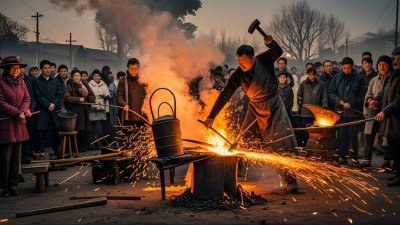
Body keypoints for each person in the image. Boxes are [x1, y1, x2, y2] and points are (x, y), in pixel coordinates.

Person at [203, 35, 298, 193]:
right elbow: (224, 95)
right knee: (243, 140)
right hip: (254, 109)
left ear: (253, 58)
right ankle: (231, 174)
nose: (241, 65)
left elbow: (278, 51)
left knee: (282, 143)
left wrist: (271, 43)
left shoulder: (264, 59)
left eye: (244, 62)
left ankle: (290, 180)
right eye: (239, 62)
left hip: (274, 106)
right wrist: (211, 116)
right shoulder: (238, 74)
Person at [0, 56, 31, 197]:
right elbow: (1, 103)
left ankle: (13, 185)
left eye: (18, 68)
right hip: (6, 125)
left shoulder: (22, 83)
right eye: (13, 67)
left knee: (16, 158)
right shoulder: (1, 83)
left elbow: (27, 98)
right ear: (6, 69)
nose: (16, 70)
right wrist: (17, 112)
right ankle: (5, 187)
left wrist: (24, 110)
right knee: (5, 157)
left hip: (19, 124)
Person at [329, 57, 367, 165]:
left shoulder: (359, 78)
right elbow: (331, 93)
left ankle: (353, 157)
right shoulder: (337, 77)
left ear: (353, 66)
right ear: (341, 67)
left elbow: (362, 96)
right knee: (341, 136)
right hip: (340, 113)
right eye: (344, 68)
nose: (347, 70)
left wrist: (352, 103)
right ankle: (342, 156)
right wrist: (340, 101)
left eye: (349, 68)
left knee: (353, 137)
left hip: (353, 113)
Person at [362, 55, 393, 167]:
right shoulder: (374, 80)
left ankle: (387, 161)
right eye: (380, 65)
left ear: (389, 66)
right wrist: (368, 104)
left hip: (387, 112)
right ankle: (366, 161)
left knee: (386, 137)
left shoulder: (392, 79)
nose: (382, 67)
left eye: (384, 65)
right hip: (373, 112)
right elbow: (368, 95)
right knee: (369, 135)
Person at [375, 52, 400, 186]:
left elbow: (398, 100)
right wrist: (375, 100)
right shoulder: (393, 76)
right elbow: (383, 92)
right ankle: (397, 173)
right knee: (393, 147)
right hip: (390, 118)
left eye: (398, 60)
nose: (395, 62)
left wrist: (385, 111)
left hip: (397, 119)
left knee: (397, 148)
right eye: (395, 59)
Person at [33, 60, 62, 156]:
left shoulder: (55, 81)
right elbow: (38, 95)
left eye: (49, 68)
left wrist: (53, 104)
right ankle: (40, 152)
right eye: (45, 68)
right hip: (42, 110)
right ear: (41, 69)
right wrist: (48, 105)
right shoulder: (36, 81)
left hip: (53, 109)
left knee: (55, 130)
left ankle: (57, 151)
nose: (47, 70)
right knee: (41, 131)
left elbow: (59, 94)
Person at [64, 70, 95, 152]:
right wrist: (78, 99)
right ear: (72, 77)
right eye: (75, 76)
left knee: (85, 129)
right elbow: (66, 98)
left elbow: (92, 95)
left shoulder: (84, 84)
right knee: (77, 129)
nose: (77, 77)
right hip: (75, 111)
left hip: (84, 110)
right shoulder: (69, 85)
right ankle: (75, 148)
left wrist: (87, 99)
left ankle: (84, 147)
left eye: (78, 76)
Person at [297, 68, 328, 145]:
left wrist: (324, 108)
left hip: (317, 112)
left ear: (315, 74)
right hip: (305, 112)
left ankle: (315, 146)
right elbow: (299, 96)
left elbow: (324, 97)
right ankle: (306, 147)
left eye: (312, 74)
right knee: (305, 131)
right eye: (309, 74)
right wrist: (301, 106)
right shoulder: (303, 84)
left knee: (316, 131)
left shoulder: (321, 84)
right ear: (307, 75)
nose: (311, 76)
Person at [116, 58, 147, 130]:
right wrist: (123, 104)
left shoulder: (144, 80)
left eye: (135, 68)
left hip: (142, 117)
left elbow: (149, 94)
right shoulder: (123, 81)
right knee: (129, 139)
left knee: (143, 138)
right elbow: (118, 96)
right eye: (131, 68)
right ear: (127, 68)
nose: (133, 71)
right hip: (128, 118)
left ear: (139, 68)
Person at [88, 69, 110, 148]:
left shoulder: (104, 84)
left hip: (102, 107)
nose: (97, 77)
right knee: (92, 126)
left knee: (104, 126)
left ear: (100, 77)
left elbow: (107, 95)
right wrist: (94, 103)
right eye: (95, 76)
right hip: (93, 108)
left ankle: (103, 141)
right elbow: (88, 96)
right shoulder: (89, 84)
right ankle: (92, 143)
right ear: (92, 77)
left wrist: (104, 96)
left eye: (98, 76)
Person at [20, 65, 36, 163]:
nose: (20, 70)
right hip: (18, 113)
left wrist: (30, 109)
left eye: (21, 68)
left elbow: (33, 97)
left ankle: (28, 154)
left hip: (29, 112)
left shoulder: (31, 80)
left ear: (24, 69)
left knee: (29, 133)